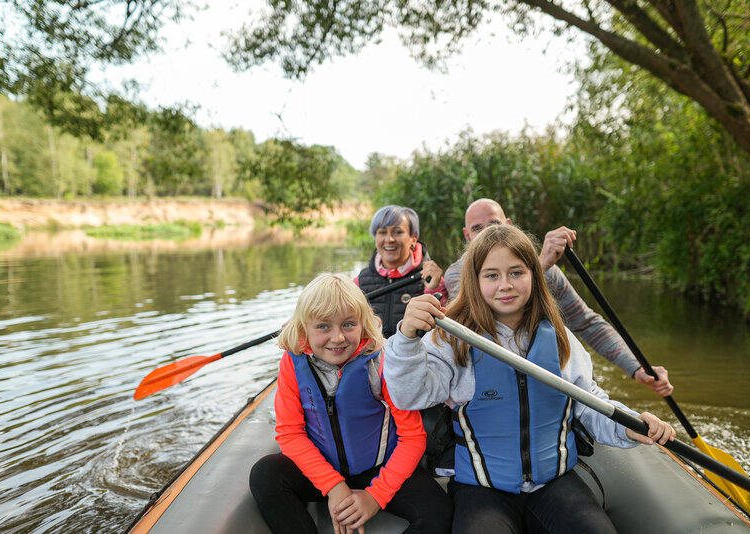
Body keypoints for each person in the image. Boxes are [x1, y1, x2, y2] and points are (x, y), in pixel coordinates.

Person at [383, 224, 676, 534]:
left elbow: (590, 404)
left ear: (534, 276)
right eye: (492, 275)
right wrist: (405, 339)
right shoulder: (451, 339)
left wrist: (630, 426)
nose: (505, 285)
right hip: (483, 487)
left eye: (517, 273)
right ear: (475, 281)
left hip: (554, 482)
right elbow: (408, 396)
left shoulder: (560, 339)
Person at [249, 272, 452, 534]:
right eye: (323, 326)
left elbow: (412, 438)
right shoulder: (292, 363)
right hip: (320, 468)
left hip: (380, 468)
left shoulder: (382, 363)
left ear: (363, 324)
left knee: (439, 513)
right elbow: (290, 434)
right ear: (304, 329)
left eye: (348, 325)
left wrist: (375, 497)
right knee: (265, 475)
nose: (338, 338)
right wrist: (333, 485)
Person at [444, 198, 673, 397]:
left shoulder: (550, 272)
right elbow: (479, 317)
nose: (486, 233)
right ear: (467, 235)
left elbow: (587, 323)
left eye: (493, 224)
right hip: (491, 387)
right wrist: (540, 265)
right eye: (477, 228)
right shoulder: (456, 273)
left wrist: (637, 368)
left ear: (508, 226)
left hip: (548, 379)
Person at [356, 204, 448, 339]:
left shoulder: (431, 279)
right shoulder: (359, 281)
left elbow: (442, 334)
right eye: (382, 232)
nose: (389, 239)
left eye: (398, 232)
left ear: (413, 238)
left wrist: (434, 289)